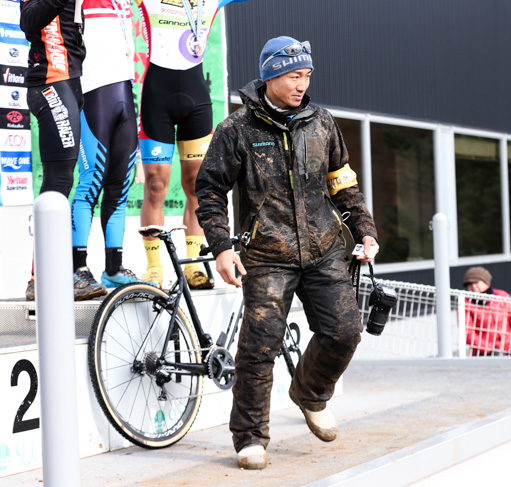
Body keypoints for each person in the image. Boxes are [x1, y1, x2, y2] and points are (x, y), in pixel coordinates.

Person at [195, 36, 379, 470]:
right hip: (265, 254)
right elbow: (209, 190)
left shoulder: (322, 123)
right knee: (259, 348)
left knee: (345, 331)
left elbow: (343, 183)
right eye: (294, 75)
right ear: (271, 75)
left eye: (307, 75)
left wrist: (365, 231)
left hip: (325, 249)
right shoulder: (237, 129)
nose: (302, 84)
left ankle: (310, 393)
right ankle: (250, 438)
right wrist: (221, 247)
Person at [136, 0, 248, 289]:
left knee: (197, 184)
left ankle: (193, 264)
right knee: (155, 185)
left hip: (196, 100)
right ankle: (154, 266)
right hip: (156, 100)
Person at [69, 0, 154, 292]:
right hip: (92, 91)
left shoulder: (123, 3)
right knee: (90, 185)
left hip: (124, 92)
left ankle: (114, 269)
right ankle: (76, 269)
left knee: (119, 187)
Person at [20, 0, 94, 300]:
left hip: (70, 81)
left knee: (64, 179)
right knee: (58, 181)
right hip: (50, 80)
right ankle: (42, 279)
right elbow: (28, 20)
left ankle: (48, 275)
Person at [462, 266, 511, 356]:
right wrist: (489, 349)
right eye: (469, 284)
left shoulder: (502, 296)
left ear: (486, 282)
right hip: (483, 353)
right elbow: (468, 332)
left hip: (510, 349)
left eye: (476, 282)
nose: (473, 286)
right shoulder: (465, 304)